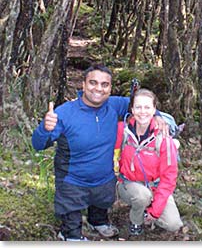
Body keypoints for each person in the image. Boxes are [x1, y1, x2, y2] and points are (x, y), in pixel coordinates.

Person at [32, 64, 169, 241]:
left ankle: (97, 221)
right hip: (72, 179)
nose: (98, 88)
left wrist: (157, 115)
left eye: (105, 84)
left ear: (110, 88)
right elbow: (38, 144)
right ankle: (69, 233)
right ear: (83, 85)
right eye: (93, 83)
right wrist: (44, 128)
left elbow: (140, 104)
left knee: (102, 201)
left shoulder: (114, 105)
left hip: (103, 178)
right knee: (72, 230)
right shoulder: (64, 113)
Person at [115, 88, 183, 236]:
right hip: (128, 184)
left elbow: (169, 178)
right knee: (142, 196)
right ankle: (135, 222)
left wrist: (155, 211)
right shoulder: (122, 131)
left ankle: (147, 211)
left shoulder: (164, 139)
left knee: (173, 224)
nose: (142, 111)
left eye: (147, 107)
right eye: (138, 107)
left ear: (154, 110)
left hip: (155, 186)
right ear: (132, 109)